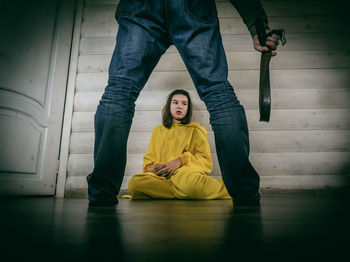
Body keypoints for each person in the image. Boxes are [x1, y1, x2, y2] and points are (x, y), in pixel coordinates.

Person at [86, 0, 281, 206]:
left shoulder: (194, 130)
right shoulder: (160, 132)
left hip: (140, 7)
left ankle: (101, 194)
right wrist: (257, 25)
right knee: (218, 93)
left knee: (120, 92)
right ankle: (245, 193)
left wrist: (127, 11)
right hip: (193, 6)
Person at [127, 89, 231, 200]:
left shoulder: (195, 130)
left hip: (184, 175)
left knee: (188, 184)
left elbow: (205, 161)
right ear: (169, 106)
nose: (179, 106)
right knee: (134, 183)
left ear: (188, 109)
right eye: (175, 102)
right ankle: (183, 192)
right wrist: (152, 169)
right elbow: (149, 158)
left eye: (184, 104)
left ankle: (230, 188)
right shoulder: (158, 131)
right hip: (162, 177)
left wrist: (180, 161)